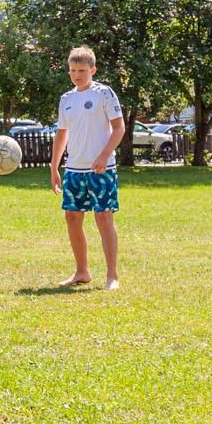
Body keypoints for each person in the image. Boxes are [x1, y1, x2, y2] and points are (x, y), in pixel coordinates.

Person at [48, 45, 125, 290]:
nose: (77, 75)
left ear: (93, 70)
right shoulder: (66, 99)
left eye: (82, 70)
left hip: (101, 169)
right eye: (73, 70)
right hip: (74, 170)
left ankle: (112, 276)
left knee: (103, 217)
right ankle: (82, 272)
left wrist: (104, 155)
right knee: (72, 217)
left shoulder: (104, 93)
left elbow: (119, 128)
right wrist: (54, 166)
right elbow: (62, 134)